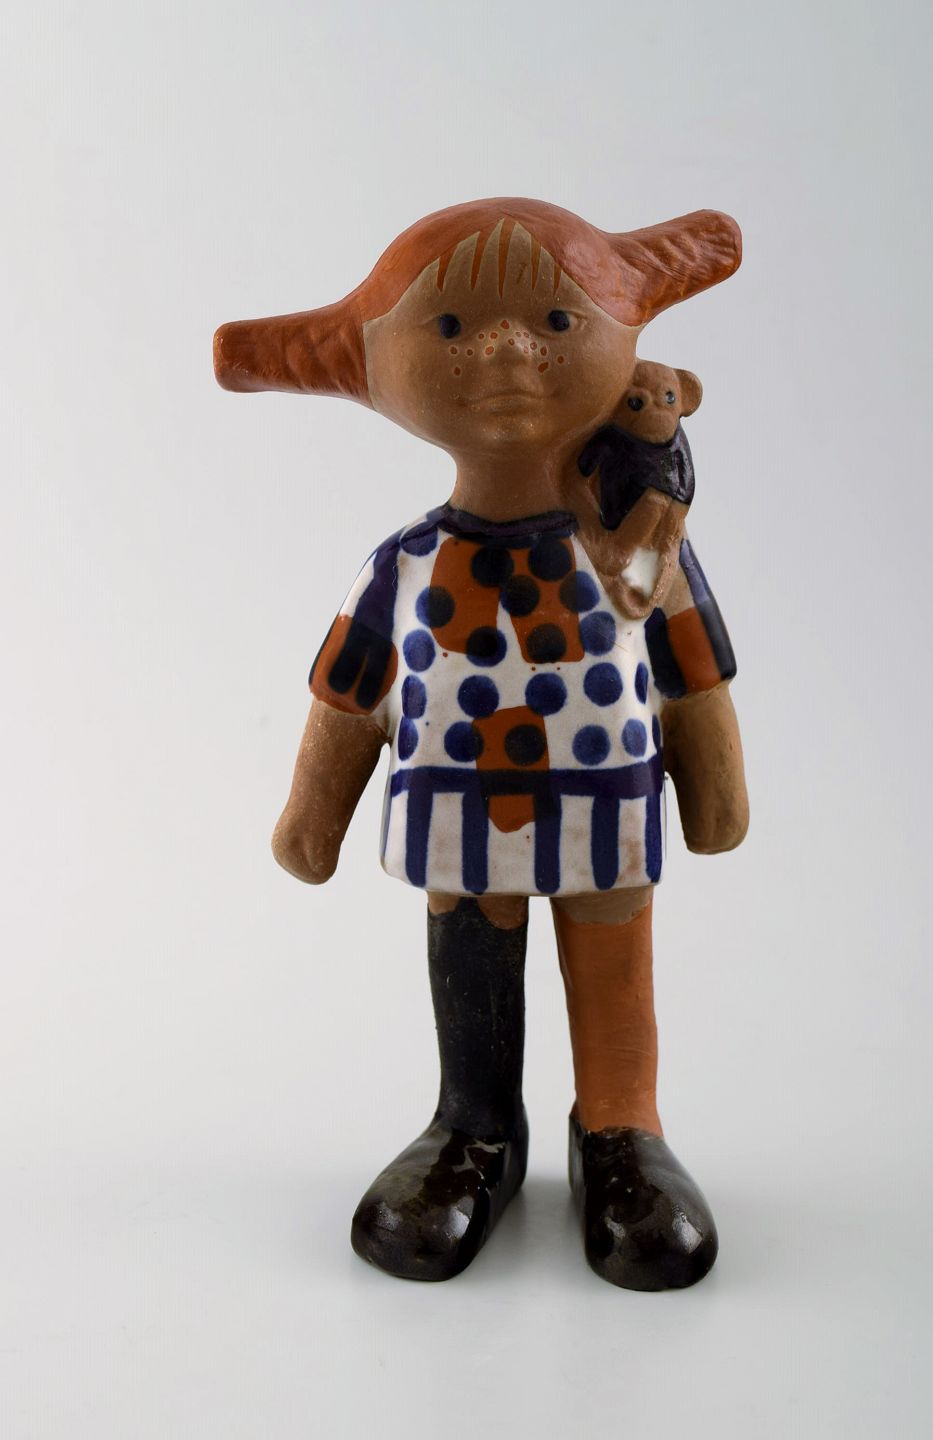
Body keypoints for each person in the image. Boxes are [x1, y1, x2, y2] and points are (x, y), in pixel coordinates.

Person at [214, 198, 749, 1290]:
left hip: (604, 804)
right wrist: (311, 816)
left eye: (554, 320)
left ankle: (621, 1128)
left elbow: (692, 672)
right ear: (374, 369)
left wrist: (714, 795)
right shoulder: (405, 567)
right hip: (460, 813)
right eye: (452, 327)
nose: (505, 350)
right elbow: (350, 690)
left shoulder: (641, 557)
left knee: (611, 947)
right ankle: (474, 1127)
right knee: (470, 954)